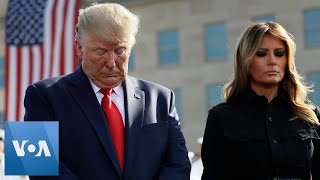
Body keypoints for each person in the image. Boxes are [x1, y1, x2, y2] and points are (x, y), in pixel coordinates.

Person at [24, 3, 191, 180]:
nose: (111, 62)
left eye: (120, 51)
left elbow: (178, 166)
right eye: (100, 51)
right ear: (79, 47)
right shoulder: (39, 95)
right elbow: (36, 165)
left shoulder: (162, 98)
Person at [201, 22, 320, 179]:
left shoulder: (310, 115)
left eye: (279, 54)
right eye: (261, 54)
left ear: (288, 60)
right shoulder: (221, 117)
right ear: (245, 60)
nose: (272, 61)